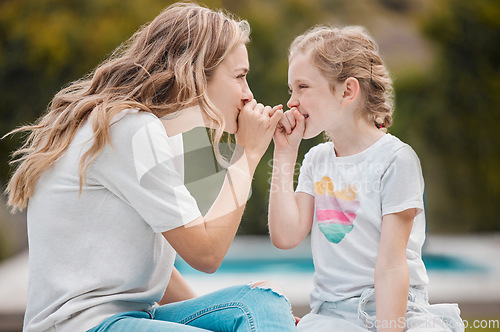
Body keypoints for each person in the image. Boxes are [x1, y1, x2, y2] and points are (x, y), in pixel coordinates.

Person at [5, 3, 297, 331]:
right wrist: (248, 152)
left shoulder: (155, 131)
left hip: (135, 317)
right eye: (240, 77)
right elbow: (206, 255)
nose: (248, 95)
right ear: (199, 71)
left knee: (262, 301)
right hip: (83, 325)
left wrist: (224, 316)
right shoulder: (128, 128)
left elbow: (156, 264)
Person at [268, 25, 464, 332]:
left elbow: (391, 265)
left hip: (399, 308)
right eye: (291, 89)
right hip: (331, 314)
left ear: (347, 91)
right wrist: (283, 153)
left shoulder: (395, 160)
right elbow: (285, 236)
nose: (292, 101)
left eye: (302, 87)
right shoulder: (315, 161)